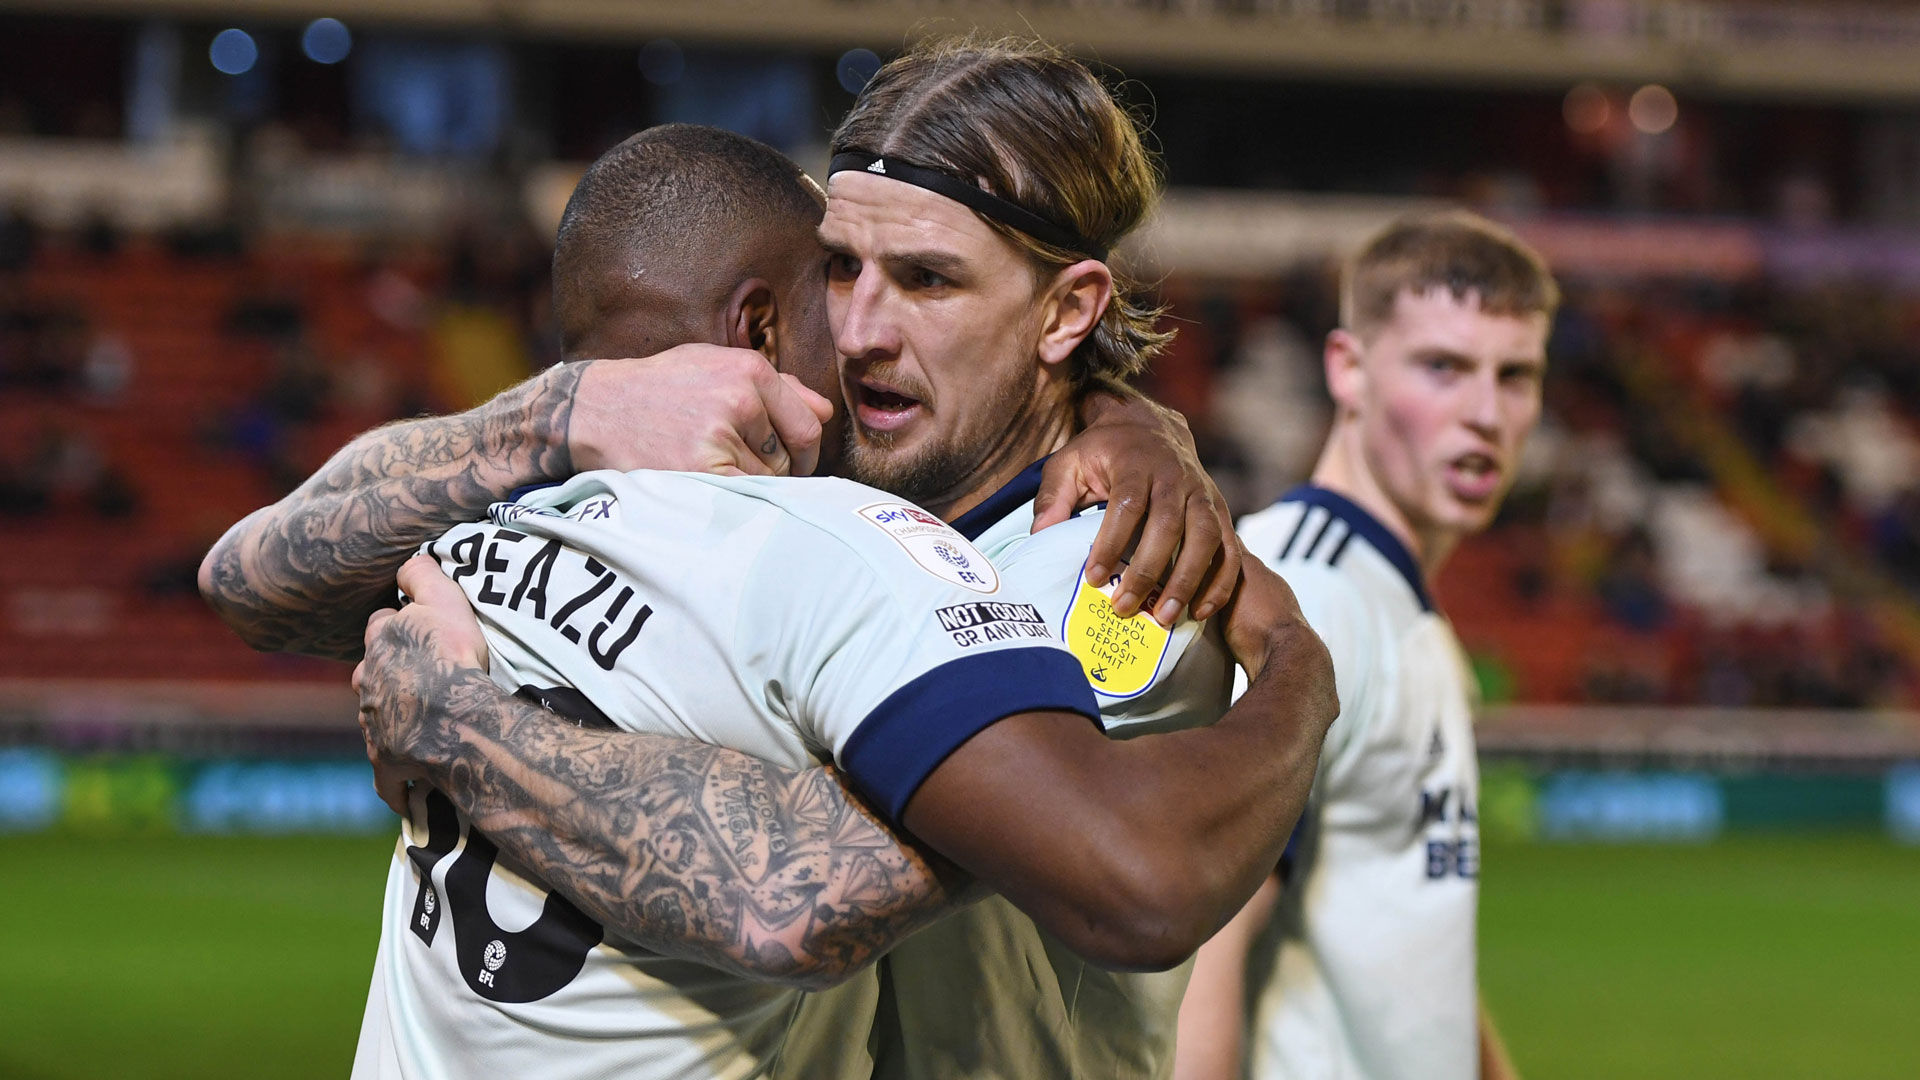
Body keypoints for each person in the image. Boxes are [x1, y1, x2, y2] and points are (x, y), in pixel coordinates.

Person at [206, 95, 1332, 1080]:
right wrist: (566, 406)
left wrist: (454, 726)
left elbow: (796, 894)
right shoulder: (753, 508)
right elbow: (247, 578)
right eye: (841, 269)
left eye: (928, 280)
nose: (861, 330)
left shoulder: (1110, 578)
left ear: (1067, 311)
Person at [1172, 211, 1554, 1080]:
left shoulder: (1399, 610)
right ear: (1348, 370)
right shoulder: (1306, 608)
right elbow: (1196, 957)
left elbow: (1409, 940)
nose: (1487, 414)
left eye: (1516, 375)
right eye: (1444, 368)